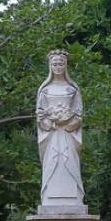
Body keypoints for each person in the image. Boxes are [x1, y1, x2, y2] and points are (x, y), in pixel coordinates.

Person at [36, 50, 84, 207]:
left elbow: (79, 113)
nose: (58, 67)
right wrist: (49, 123)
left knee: (69, 161)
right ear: (50, 66)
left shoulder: (73, 89)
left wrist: (70, 123)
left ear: (66, 65)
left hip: (68, 135)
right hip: (52, 136)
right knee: (52, 163)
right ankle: (50, 197)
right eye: (55, 64)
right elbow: (40, 114)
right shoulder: (44, 90)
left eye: (61, 64)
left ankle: (73, 197)